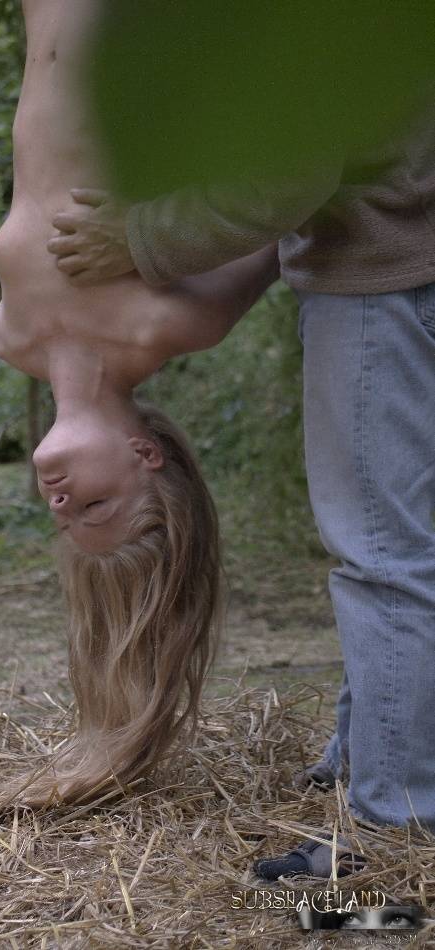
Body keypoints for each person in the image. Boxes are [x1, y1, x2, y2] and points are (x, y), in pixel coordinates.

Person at [0, 0, 279, 817]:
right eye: (96, 506)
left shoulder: (8, 337)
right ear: (148, 457)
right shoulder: (170, 322)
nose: (62, 504)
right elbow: (286, 221)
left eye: (63, 521)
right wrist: (149, 236)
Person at [47, 52, 435, 851]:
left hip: (386, 279)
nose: (57, 497)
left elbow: (292, 170)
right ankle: (369, 761)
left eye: (83, 507)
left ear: (143, 453)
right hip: (401, 256)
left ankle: (395, 826)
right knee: (395, 548)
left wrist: (145, 233)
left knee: (384, 555)